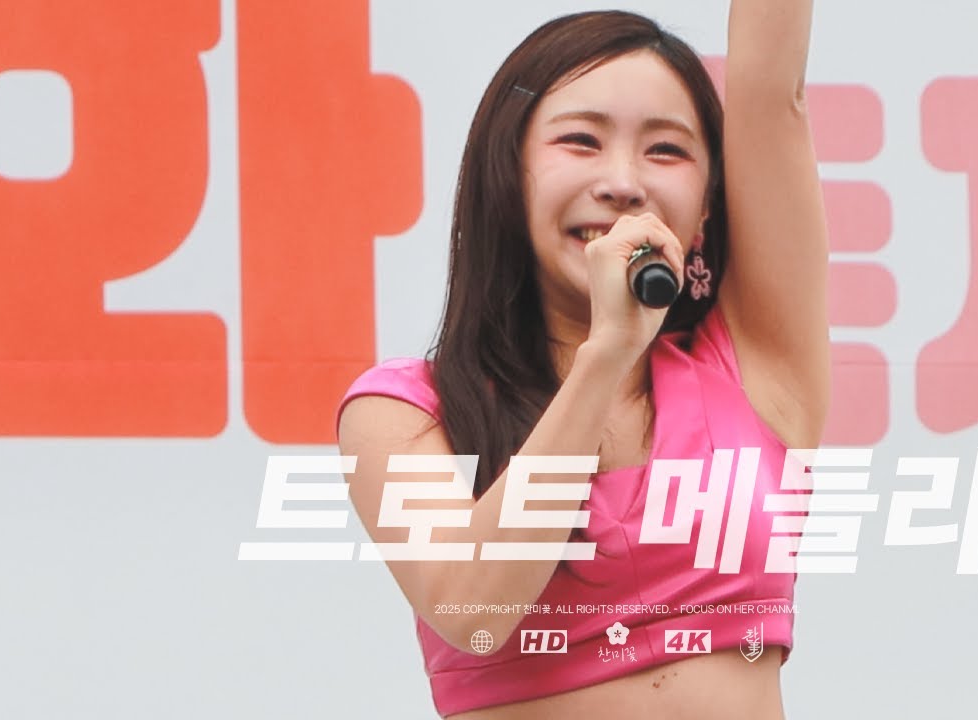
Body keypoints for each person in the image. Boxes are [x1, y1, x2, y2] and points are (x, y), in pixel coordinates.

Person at [337, 3, 827, 718]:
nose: (623, 183)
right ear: (508, 175)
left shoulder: (752, 367)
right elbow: (474, 610)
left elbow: (772, 93)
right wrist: (607, 354)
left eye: (666, 150)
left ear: (708, 205)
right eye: (580, 142)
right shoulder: (403, 412)